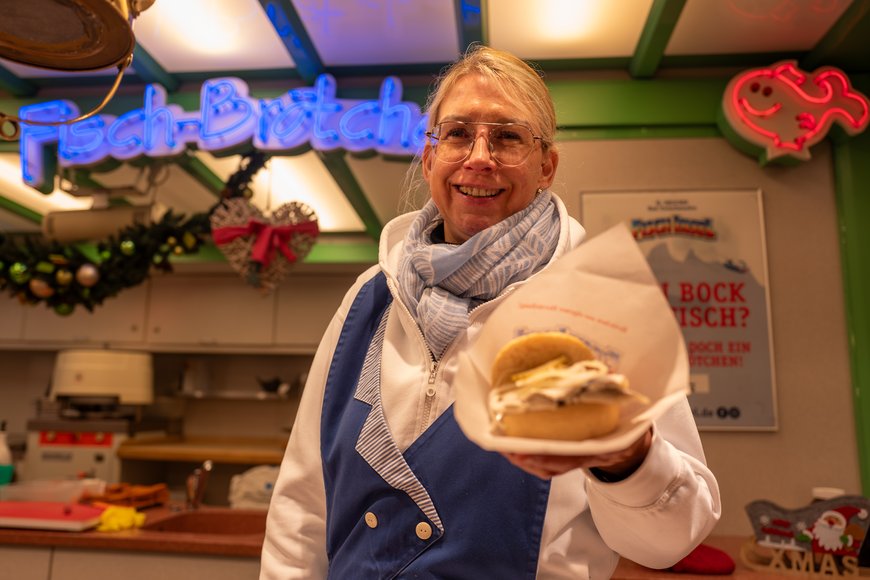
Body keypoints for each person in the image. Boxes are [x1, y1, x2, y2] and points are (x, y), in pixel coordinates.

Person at [260, 45, 721, 579]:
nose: (479, 156)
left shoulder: (602, 300)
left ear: (546, 165)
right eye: (457, 133)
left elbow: (672, 538)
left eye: (507, 136)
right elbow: (301, 507)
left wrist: (629, 459)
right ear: (430, 158)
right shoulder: (368, 297)